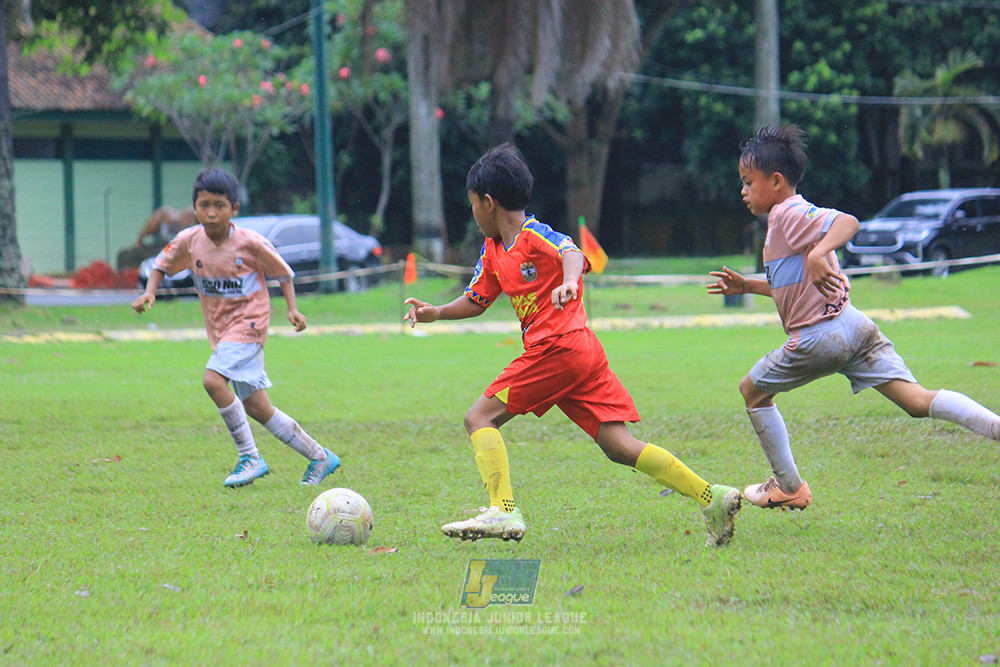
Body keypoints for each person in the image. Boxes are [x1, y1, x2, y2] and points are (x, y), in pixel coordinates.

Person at [404, 143, 742, 547]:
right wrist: (437, 312)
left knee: (479, 418)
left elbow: (571, 252)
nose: (473, 213)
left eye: (473, 204)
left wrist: (567, 281)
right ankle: (713, 497)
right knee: (618, 446)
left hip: (559, 350)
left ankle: (504, 509)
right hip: (578, 354)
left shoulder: (534, 234)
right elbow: (477, 300)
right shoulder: (493, 251)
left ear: (488, 203)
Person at [708, 124, 1000, 510]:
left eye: (748, 182)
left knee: (753, 392)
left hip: (820, 337)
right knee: (916, 401)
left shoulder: (787, 212)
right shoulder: (785, 220)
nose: (743, 191)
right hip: (854, 326)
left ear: (776, 181)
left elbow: (848, 222)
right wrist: (749, 286)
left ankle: (789, 487)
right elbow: (793, 288)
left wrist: (818, 253)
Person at [131, 168, 340, 488]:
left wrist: (292, 309)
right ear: (194, 208)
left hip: (250, 325)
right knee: (258, 407)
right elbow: (160, 264)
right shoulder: (189, 241)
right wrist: (150, 291)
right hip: (223, 331)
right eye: (204, 205)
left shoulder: (251, 243)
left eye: (219, 205)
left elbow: (284, 274)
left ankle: (250, 457)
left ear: (235, 209)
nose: (211, 213)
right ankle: (320, 456)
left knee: (213, 381)